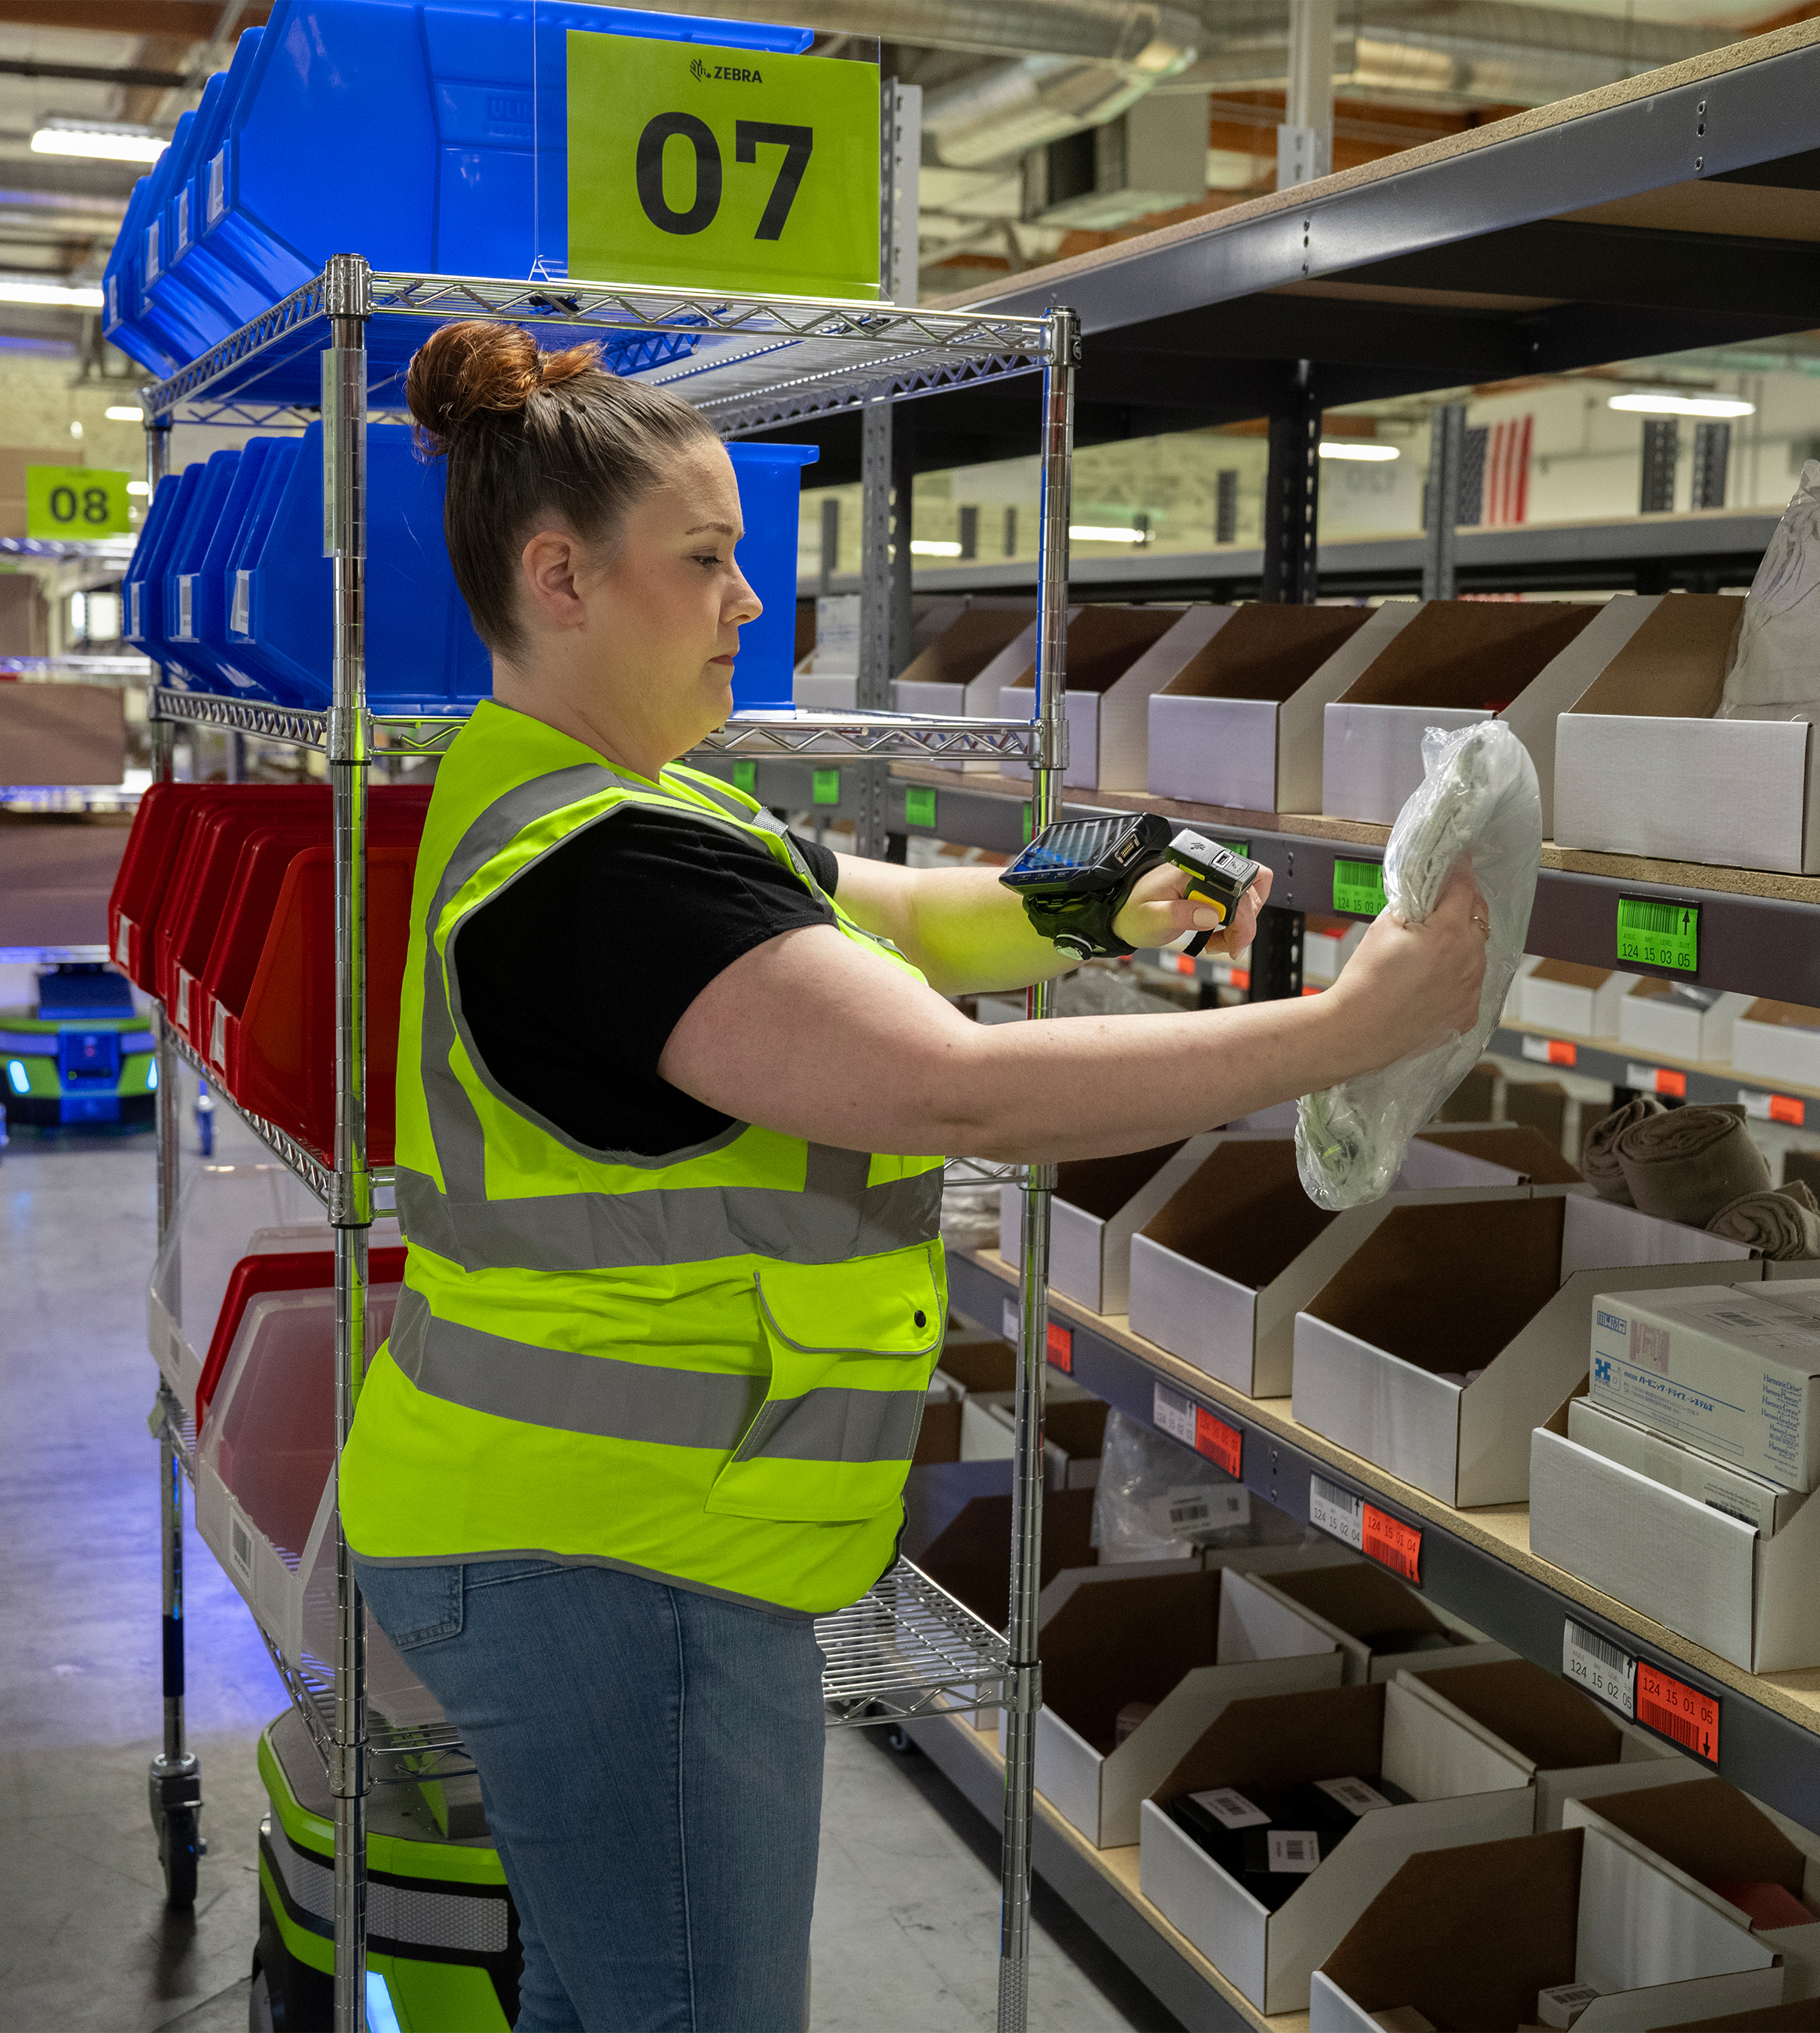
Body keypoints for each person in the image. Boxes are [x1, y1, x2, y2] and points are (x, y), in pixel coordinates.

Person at [339, 320, 1490, 2033]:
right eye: (709, 561)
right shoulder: (604, 869)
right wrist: (1347, 1030)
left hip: (594, 1533)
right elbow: (958, 1087)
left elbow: (913, 917)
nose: (748, 601)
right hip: (608, 1557)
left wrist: (1110, 882)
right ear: (560, 578)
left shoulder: (633, 808)